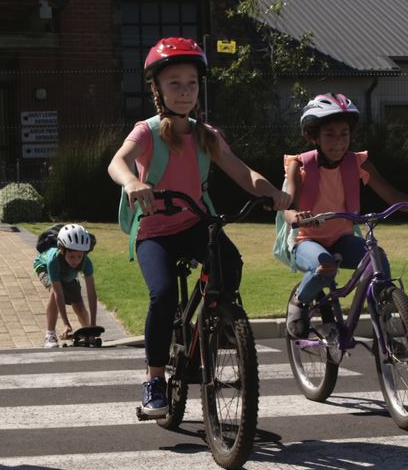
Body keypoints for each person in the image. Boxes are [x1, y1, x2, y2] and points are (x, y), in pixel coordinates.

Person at [107, 37, 290, 417]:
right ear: (157, 88)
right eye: (174, 82)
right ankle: (154, 378)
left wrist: (273, 192)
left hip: (194, 223)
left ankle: (212, 325)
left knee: (230, 262)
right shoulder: (148, 131)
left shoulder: (207, 134)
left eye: (191, 82)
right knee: (162, 297)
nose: (185, 90)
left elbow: (242, 173)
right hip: (155, 231)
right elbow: (118, 162)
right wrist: (132, 182)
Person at [282, 93, 408, 337]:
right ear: (314, 136)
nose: (338, 142)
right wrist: (294, 217)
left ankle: (384, 323)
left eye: (344, 134)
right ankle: (299, 303)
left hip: (342, 237)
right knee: (325, 265)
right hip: (307, 240)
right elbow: (287, 204)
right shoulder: (300, 164)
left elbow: (391, 195)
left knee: (377, 258)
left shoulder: (358, 163)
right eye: (330, 135)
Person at [33, 223, 98, 348]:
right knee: (54, 291)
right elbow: (59, 293)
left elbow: (91, 293)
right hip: (44, 268)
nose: (75, 260)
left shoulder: (86, 262)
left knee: (78, 305)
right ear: (62, 250)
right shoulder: (53, 260)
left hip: (68, 274)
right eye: (71, 256)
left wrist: (93, 325)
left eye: (80, 256)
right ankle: (50, 334)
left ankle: (87, 330)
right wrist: (66, 323)